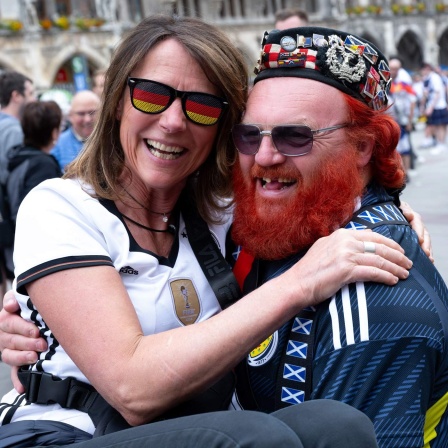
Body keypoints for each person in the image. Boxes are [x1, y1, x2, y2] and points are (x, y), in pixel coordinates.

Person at [0, 15, 407, 447]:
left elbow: (316, 191)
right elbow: (132, 388)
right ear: (119, 101)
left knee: (339, 426)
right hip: (70, 433)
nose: (174, 121)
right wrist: (299, 284)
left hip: (201, 426)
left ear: (222, 128)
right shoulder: (60, 207)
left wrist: (397, 220)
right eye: (153, 95)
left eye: (201, 105)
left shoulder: (222, 213)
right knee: (257, 436)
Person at [225, 27, 448, 448]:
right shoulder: (278, 224)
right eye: (249, 135)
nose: (265, 157)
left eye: (296, 136)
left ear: (363, 146)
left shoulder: (371, 298)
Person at [4, 100, 63, 276]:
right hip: (39, 256)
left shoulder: (20, 157)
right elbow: (41, 214)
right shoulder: (42, 166)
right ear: (54, 132)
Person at [0, 71, 36, 186]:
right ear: (16, 96)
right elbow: (13, 178)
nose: (34, 99)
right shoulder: (13, 130)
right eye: (30, 94)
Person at [50, 89, 101, 171]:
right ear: (70, 116)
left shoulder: (111, 140)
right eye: (81, 114)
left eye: (92, 112)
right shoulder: (57, 145)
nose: (87, 119)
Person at [389, 57, 417, 180]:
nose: (394, 71)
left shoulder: (404, 84)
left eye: (396, 69)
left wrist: (410, 121)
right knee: (395, 148)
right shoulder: (386, 83)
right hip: (390, 120)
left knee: (405, 147)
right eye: (392, 69)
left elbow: (412, 101)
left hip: (403, 120)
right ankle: (400, 173)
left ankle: (406, 173)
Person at [420, 62, 448, 154]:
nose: (422, 72)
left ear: (427, 69)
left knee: (439, 126)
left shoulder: (434, 77)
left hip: (438, 105)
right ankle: (440, 143)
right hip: (436, 105)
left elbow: (437, 93)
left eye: (423, 70)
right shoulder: (428, 78)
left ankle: (440, 144)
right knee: (439, 125)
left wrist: (431, 107)